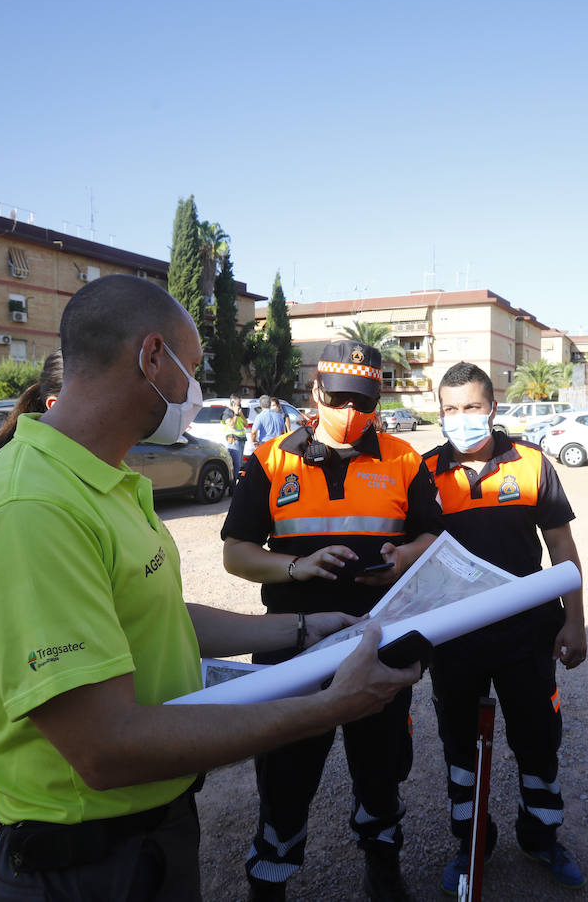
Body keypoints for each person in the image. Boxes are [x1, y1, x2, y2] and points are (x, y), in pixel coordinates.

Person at [0, 276, 420, 901]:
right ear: (152, 356)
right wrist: (327, 708)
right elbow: (106, 749)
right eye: (192, 371)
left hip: (145, 836)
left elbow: (153, 614)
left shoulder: (105, 482)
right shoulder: (30, 508)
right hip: (86, 861)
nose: (197, 392)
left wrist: (300, 628)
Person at [222, 340, 443, 902]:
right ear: (316, 392)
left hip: (381, 635)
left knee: (381, 767)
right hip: (292, 642)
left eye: (364, 402)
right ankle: (269, 877)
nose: (352, 414)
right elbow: (237, 553)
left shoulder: (402, 457)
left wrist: (401, 558)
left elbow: (431, 536)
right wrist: (298, 567)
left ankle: (383, 867)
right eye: (340, 399)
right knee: (285, 771)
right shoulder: (271, 458)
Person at [422, 361, 588, 893]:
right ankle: (472, 844)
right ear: (440, 413)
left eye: (472, 407)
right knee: (460, 748)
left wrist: (576, 622)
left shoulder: (534, 465)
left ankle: (541, 837)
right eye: (450, 409)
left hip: (527, 635)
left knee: (538, 742)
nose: (462, 419)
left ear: (492, 409)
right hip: (455, 639)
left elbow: (562, 548)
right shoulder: (424, 473)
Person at [225, 394, 248, 485]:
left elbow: (246, 424)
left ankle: (236, 485)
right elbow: (232, 425)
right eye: (238, 404)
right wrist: (235, 414)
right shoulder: (227, 413)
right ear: (233, 403)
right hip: (234, 441)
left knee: (239, 465)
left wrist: (241, 414)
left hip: (241, 441)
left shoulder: (239, 413)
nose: (239, 406)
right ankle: (233, 487)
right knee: (236, 465)